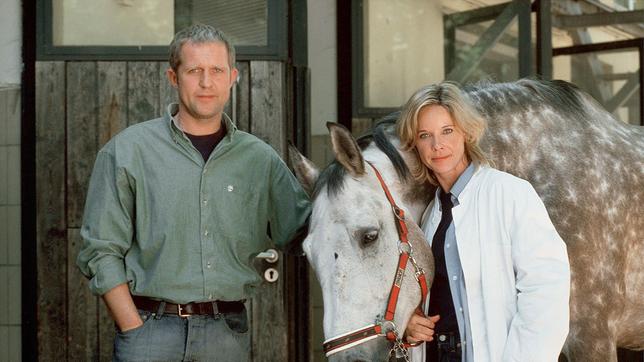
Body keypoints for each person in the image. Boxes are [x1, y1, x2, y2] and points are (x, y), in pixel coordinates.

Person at [77, 24, 310, 362]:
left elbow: (307, 231)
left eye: (216, 70)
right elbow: (100, 251)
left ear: (232, 77)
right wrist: (133, 326)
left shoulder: (259, 159)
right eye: (194, 70)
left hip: (225, 336)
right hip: (149, 334)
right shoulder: (128, 152)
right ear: (173, 77)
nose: (206, 82)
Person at [397, 82, 570, 362]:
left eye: (447, 131)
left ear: (466, 132)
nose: (437, 145)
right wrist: (410, 323)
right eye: (425, 135)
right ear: (415, 144)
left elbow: (546, 289)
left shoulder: (510, 193)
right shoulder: (429, 217)